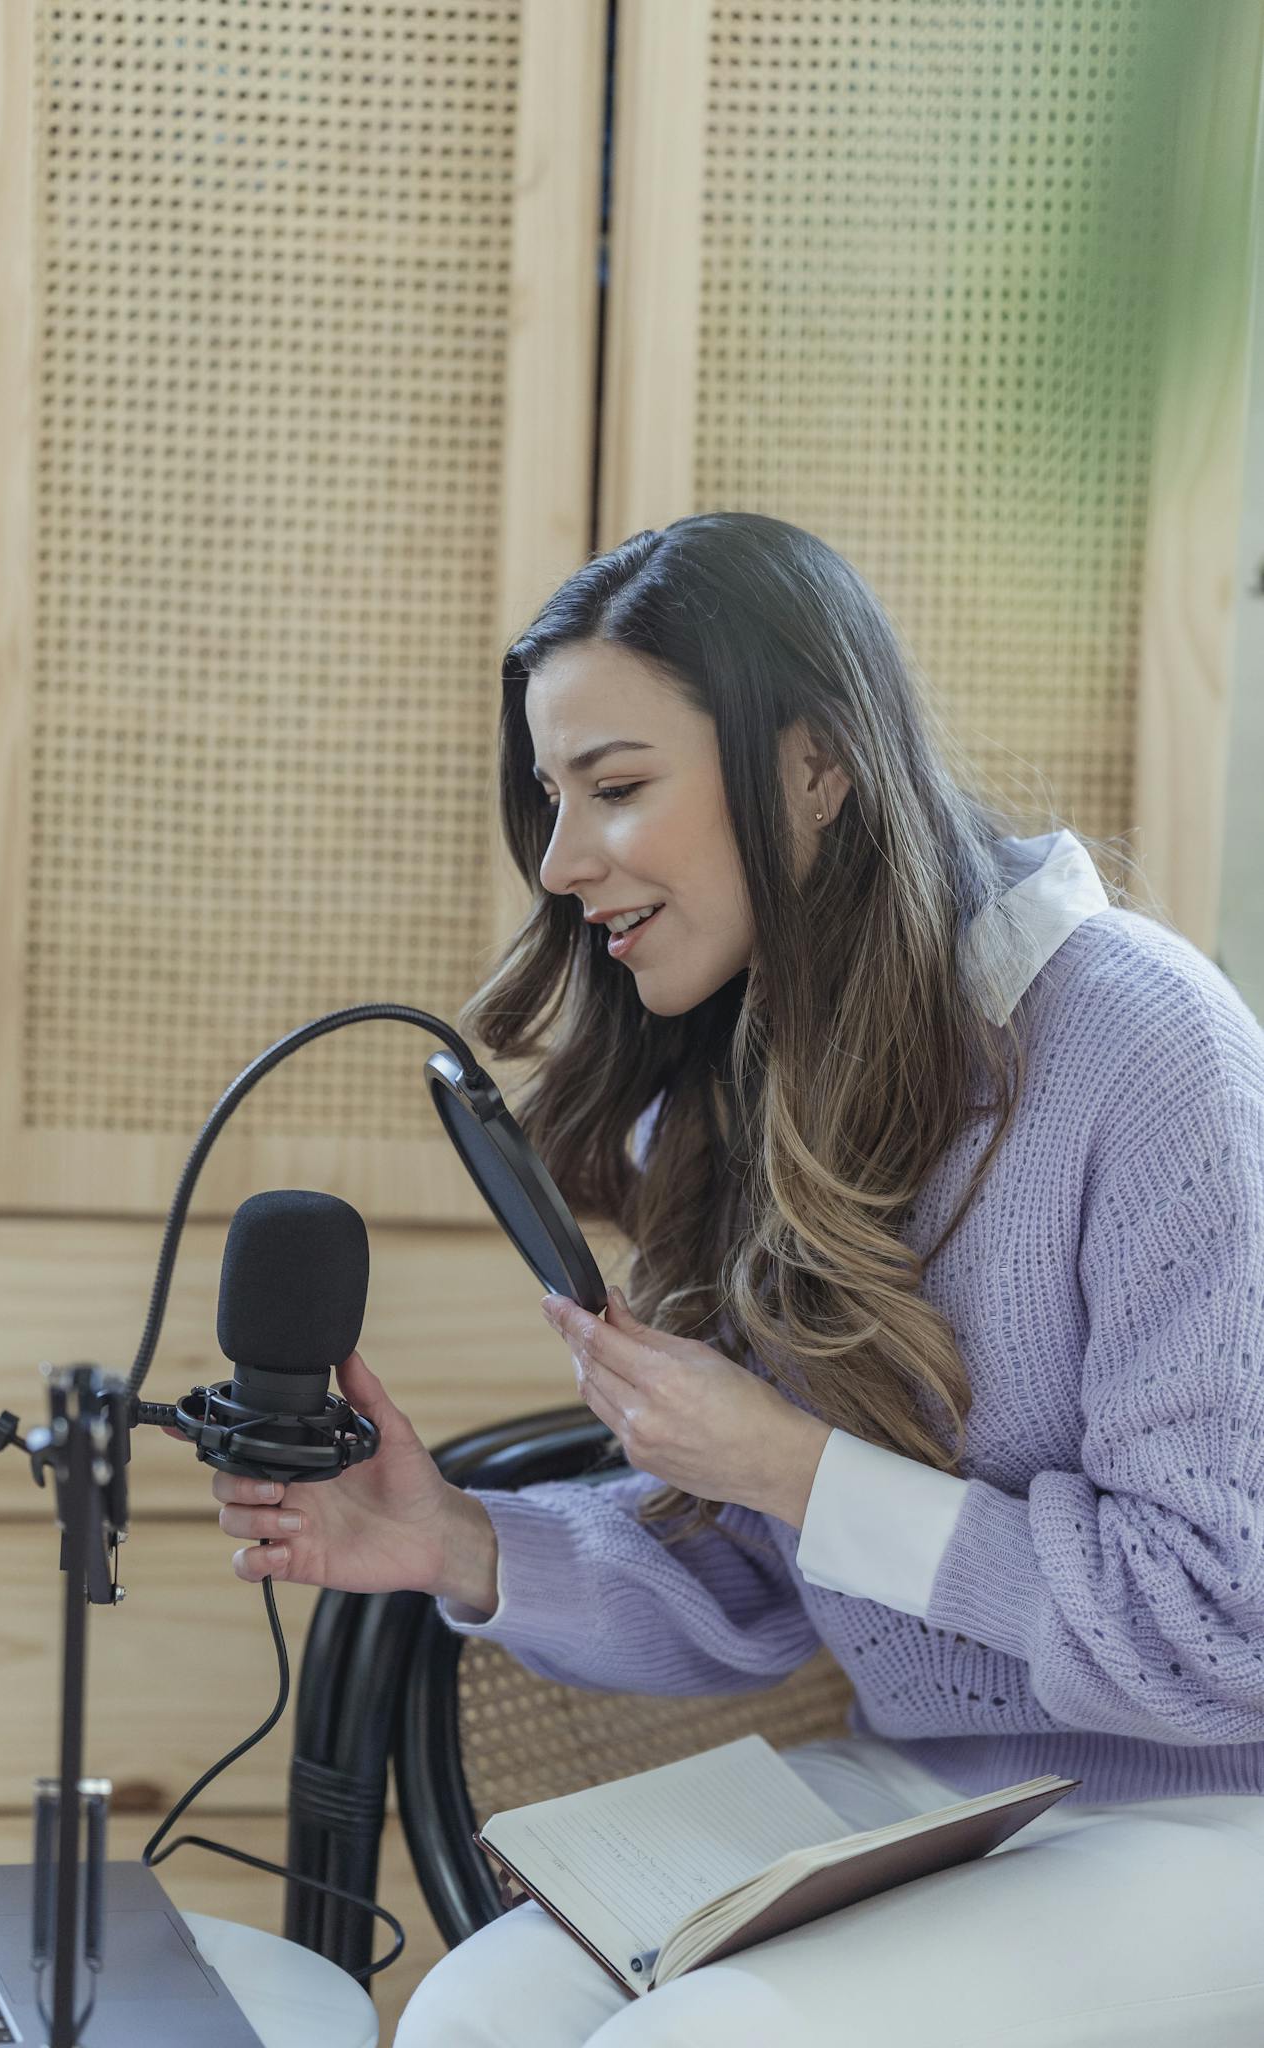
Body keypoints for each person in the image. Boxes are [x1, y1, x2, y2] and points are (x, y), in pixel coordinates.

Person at [209, 514, 1264, 2045]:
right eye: (552, 799)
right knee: (466, 2022)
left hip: (1202, 1818)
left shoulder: (1147, 1049)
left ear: (810, 769)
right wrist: (454, 1541)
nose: (564, 862)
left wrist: (797, 1464)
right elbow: (763, 1575)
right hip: (937, 1801)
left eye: (617, 788)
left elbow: (1223, 1621)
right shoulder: (748, 1078)